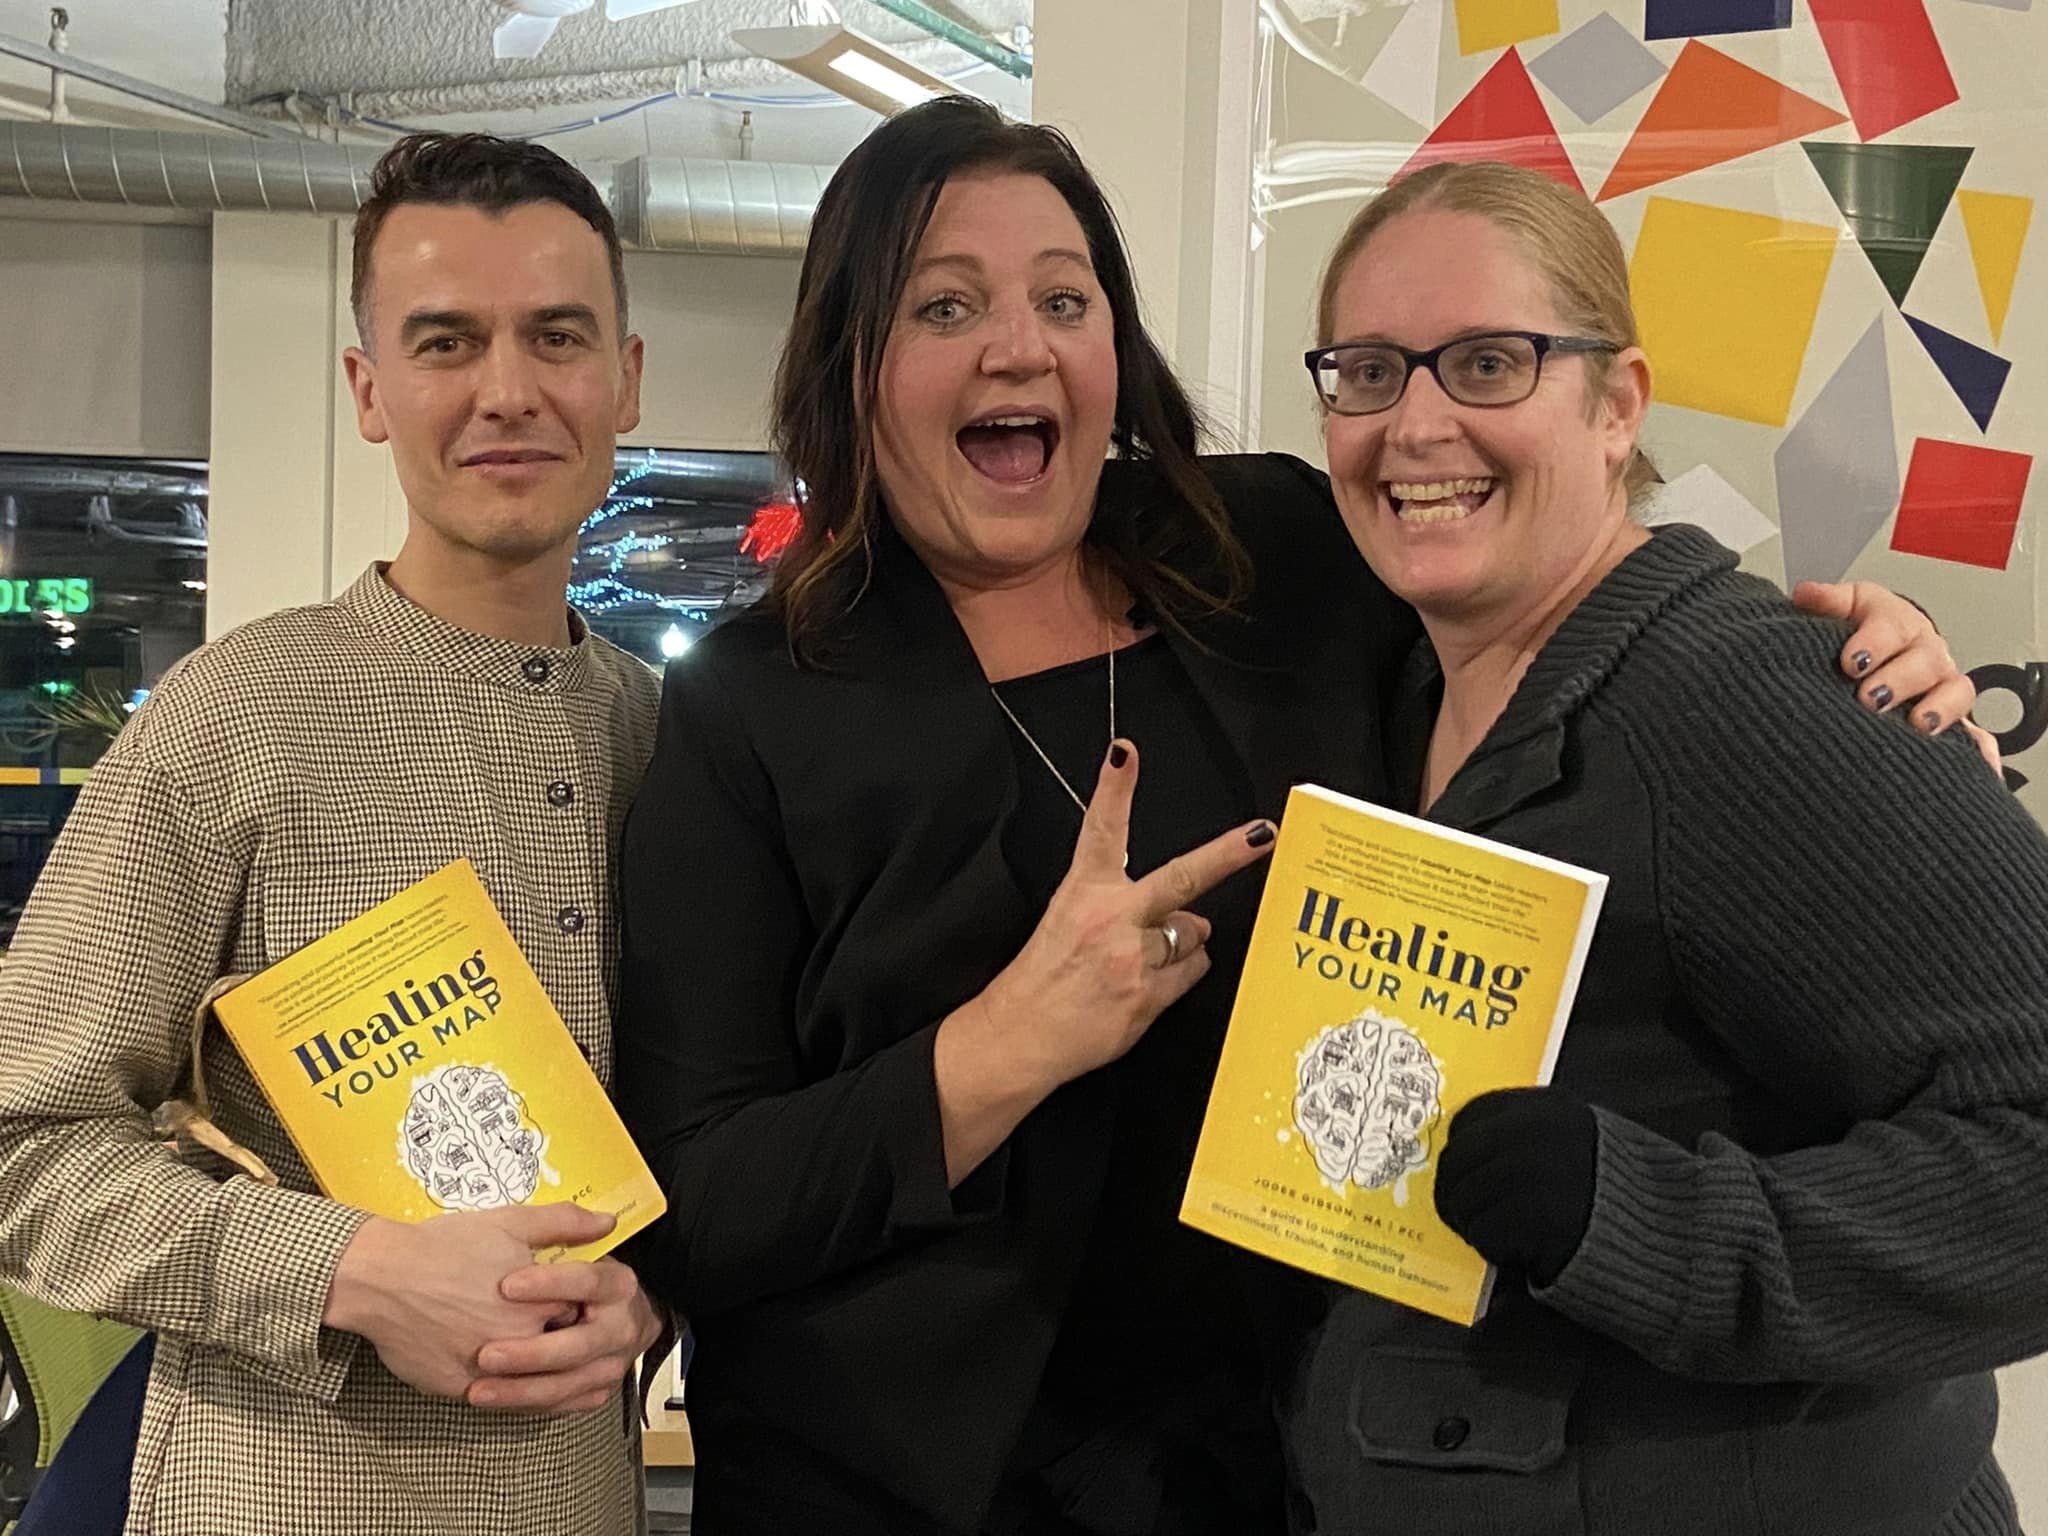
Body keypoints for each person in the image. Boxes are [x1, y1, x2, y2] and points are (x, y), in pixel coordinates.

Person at [614, 98, 1981, 1535]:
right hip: (904, 1487)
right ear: (856, 364)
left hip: (1296, 1462)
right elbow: (697, 1199)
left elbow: (1549, 610)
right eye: (944, 305)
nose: (1018, 346)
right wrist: (1002, 1047)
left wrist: (1824, 654)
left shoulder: (1271, 550)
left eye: (1064, 299)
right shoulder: (757, 706)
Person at [1267, 158, 2048, 1536]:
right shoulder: (1397, 683)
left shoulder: (1745, 705)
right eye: (1372, 372)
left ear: (1617, 403)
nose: (1418, 423)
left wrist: (1648, 1227)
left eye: (1491, 364)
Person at [0, 132, 664, 1535]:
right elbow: (22, 1136)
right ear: (370, 390)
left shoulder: (672, 746)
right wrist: (347, 1270)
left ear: (626, 379)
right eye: (445, 341)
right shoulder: (237, 711)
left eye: (557, 336)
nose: (508, 391)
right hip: (276, 1495)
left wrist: (656, 1290)